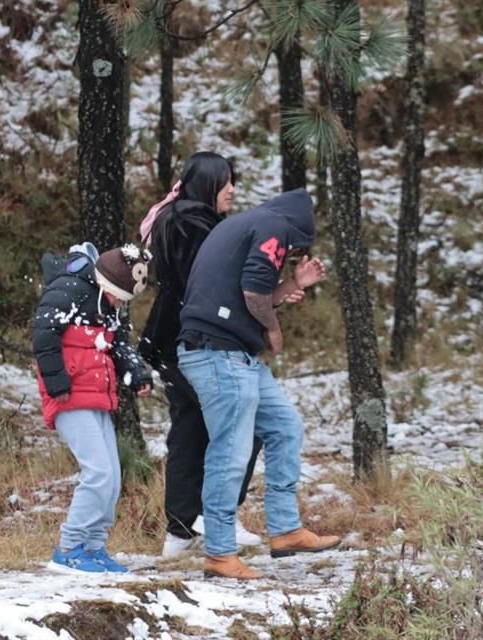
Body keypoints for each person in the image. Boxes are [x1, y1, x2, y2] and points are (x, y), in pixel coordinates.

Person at [176, 188, 341, 580]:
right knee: (230, 452)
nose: (290, 252)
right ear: (297, 228)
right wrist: (274, 327)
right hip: (217, 355)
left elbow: (249, 292)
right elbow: (253, 293)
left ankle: (285, 530)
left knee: (285, 427)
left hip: (236, 355)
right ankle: (219, 554)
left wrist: (291, 284)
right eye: (295, 248)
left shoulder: (250, 222)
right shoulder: (273, 226)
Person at [139, 152, 281, 558]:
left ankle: (181, 530)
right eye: (224, 181)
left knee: (192, 429)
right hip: (193, 340)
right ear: (205, 184)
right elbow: (211, 287)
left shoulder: (179, 218)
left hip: (171, 338)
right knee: (240, 422)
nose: (232, 189)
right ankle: (215, 518)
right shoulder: (192, 225)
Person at [33, 243, 153, 574]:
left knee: (112, 476)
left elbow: (118, 345)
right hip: (69, 395)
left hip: (98, 394)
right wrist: (57, 384)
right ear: (106, 283)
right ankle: (69, 548)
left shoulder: (106, 303)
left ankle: (94, 545)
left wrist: (137, 375)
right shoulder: (68, 290)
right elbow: (44, 335)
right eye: (117, 296)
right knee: (98, 473)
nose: (118, 304)